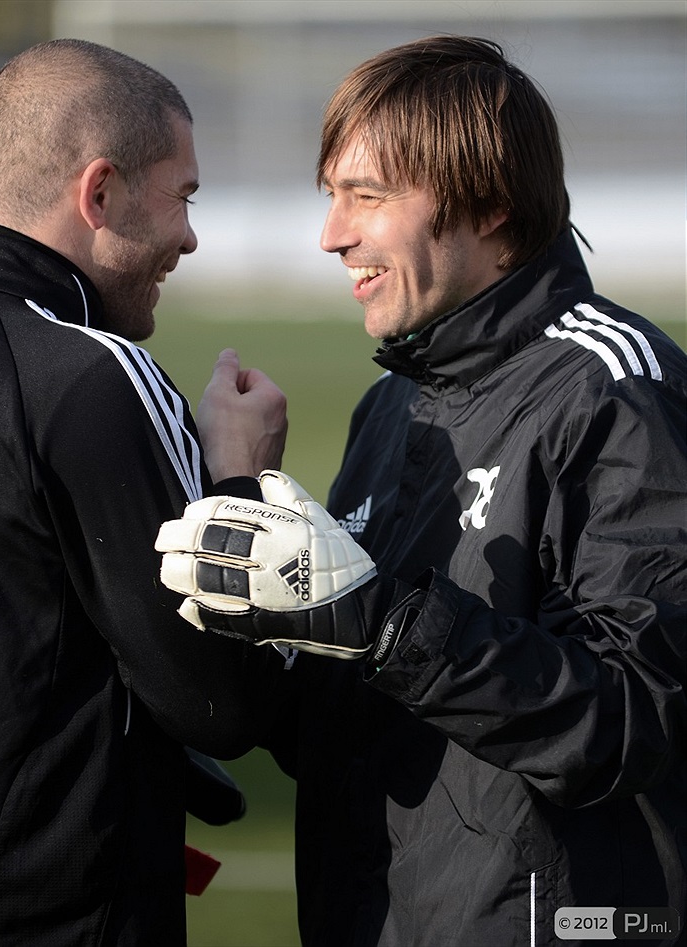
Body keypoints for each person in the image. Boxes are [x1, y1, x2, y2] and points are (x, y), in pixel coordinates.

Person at [157, 35, 687, 947]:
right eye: (331, 195)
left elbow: (642, 719)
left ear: (486, 205)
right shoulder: (391, 404)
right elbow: (374, 714)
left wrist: (380, 620)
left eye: (366, 195)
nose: (331, 233)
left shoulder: (616, 389)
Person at [0, 39, 288, 946]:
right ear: (101, 193)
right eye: (182, 195)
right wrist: (243, 483)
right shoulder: (89, 375)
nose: (190, 236)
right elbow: (216, 703)